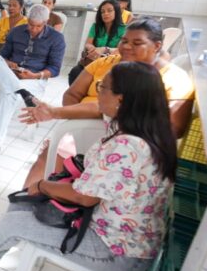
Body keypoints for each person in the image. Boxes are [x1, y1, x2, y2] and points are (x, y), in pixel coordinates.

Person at [0, 62, 176, 271]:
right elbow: (94, 107)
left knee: (18, 221)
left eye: (101, 88)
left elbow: (84, 197)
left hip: (117, 250)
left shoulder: (129, 145)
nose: (97, 94)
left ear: (121, 99)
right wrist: (51, 111)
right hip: (109, 228)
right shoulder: (136, 125)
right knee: (22, 206)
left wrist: (43, 185)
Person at [19, 17, 194, 187]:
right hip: (81, 130)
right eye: (124, 40)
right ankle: (27, 201)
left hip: (128, 146)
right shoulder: (106, 63)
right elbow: (72, 94)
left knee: (72, 183)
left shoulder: (175, 79)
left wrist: (96, 123)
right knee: (47, 160)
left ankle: (45, 192)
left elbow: (174, 128)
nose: (126, 47)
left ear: (157, 46)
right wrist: (78, 126)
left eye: (137, 43)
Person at [0, 4, 66, 162]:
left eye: (38, 26)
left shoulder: (56, 38)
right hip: (12, 74)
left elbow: (55, 69)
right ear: (27, 20)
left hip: (34, 79)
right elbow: (3, 55)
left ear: (46, 22)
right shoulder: (17, 31)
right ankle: (22, 92)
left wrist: (34, 75)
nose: (33, 29)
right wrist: (8, 63)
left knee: (7, 95)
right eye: (30, 25)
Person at [67, 0, 125, 85]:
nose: (105, 14)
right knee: (75, 72)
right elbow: (88, 43)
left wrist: (104, 49)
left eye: (109, 10)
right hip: (94, 61)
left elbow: (121, 50)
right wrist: (91, 48)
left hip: (112, 64)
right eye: (102, 11)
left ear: (116, 12)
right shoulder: (96, 26)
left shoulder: (124, 29)